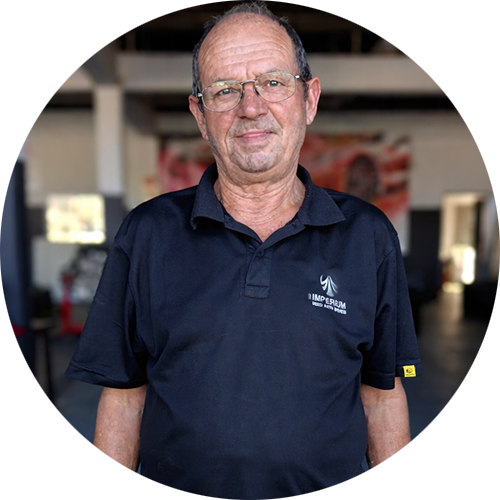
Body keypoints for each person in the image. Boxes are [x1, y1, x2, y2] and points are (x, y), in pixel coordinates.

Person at [66, 3, 421, 499]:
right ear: (200, 115)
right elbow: (124, 398)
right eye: (225, 90)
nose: (250, 107)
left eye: (273, 82)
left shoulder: (367, 235)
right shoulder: (148, 234)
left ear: (309, 99)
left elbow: (381, 393)